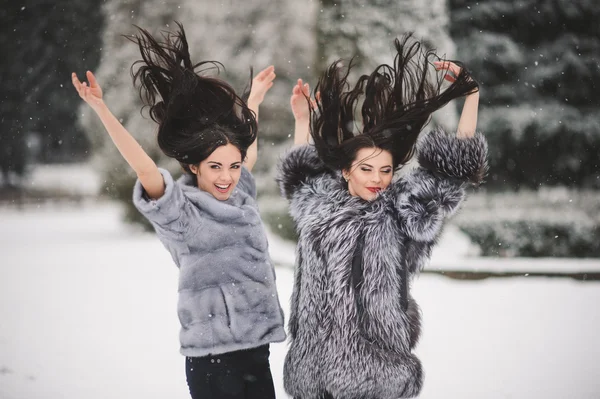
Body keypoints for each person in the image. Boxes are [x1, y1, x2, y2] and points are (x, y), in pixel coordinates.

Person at [72, 22, 285, 399]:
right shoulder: (182, 214)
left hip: (257, 350)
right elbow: (144, 169)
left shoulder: (240, 197)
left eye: (232, 167)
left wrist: (254, 101)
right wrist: (101, 108)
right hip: (212, 359)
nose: (227, 177)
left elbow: (246, 153)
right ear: (193, 167)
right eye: (215, 167)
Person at [277, 34, 488, 399]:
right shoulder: (319, 207)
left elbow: (451, 172)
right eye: (366, 169)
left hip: (377, 376)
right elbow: (301, 174)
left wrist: (471, 96)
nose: (377, 179)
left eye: (385, 170)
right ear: (346, 171)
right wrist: (301, 119)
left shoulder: (399, 212)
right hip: (311, 376)